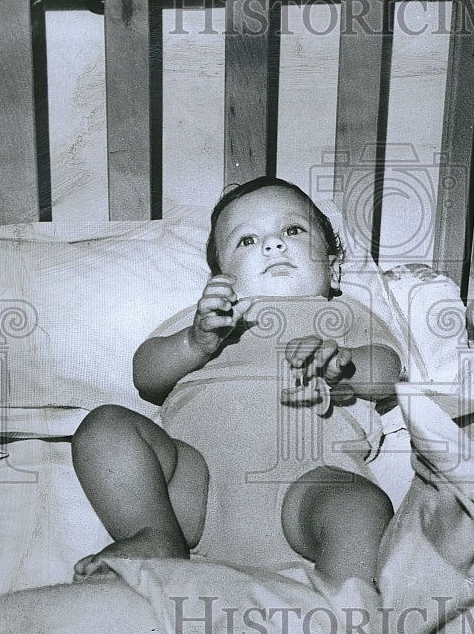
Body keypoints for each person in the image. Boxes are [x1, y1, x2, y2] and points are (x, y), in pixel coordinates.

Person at [71, 177, 402, 589]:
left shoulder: (343, 314)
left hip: (308, 486)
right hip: (197, 489)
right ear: (221, 279)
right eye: (247, 240)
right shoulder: (211, 322)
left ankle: (346, 611)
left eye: (292, 230)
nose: (273, 245)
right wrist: (195, 341)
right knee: (104, 426)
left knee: (361, 510)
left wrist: (344, 363)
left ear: (334, 269)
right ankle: (154, 536)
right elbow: (146, 376)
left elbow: (388, 372)